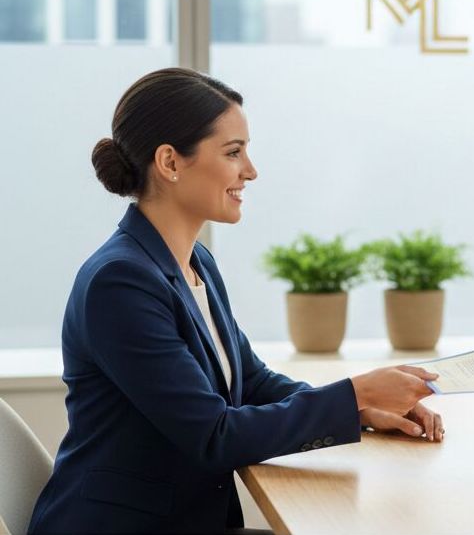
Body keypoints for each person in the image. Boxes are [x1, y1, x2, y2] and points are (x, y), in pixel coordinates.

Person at [29, 68, 444, 533]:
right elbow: (214, 435)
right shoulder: (120, 283)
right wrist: (356, 393)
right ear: (170, 162)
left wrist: (360, 411)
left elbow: (251, 381)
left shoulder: (196, 263)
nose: (250, 170)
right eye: (233, 152)